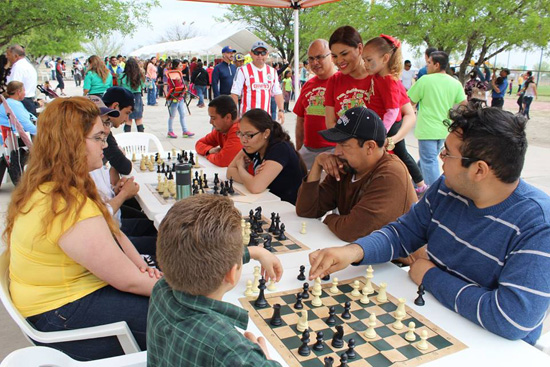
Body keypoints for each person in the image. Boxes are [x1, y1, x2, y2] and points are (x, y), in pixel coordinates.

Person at [308, 106, 550, 346]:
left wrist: (428, 275)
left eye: (447, 153)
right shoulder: (447, 188)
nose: (439, 159)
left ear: (479, 169)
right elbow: (402, 234)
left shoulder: (538, 224)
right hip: (435, 316)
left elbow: (512, 319)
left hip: (492, 346)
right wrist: (353, 252)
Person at [4, 97, 162, 361]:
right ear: (73, 143)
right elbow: (129, 281)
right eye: (99, 138)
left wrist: (141, 265)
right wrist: (188, 292)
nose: (106, 145)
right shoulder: (66, 205)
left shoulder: (56, 184)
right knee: (184, 317)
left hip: (55, 301)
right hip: (60, 315)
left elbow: (114, 232)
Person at [147, 195, 283, 366]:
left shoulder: (161, 289)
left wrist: (255, 252)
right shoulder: (230, 349)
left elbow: (197, 256)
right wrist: (266, 360)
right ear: (231, 273)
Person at [296, 106, 416, 242]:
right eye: (337, 144)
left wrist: (328, 219)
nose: (337, 152)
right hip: (357, 253)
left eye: (344, 145)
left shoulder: (391, 173)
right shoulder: (346, 166)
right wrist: (317, 164)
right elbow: (306, 210)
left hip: (397, 262)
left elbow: (352, 231)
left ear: (370, 147)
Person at [362, 35, 428, 194]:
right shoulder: (377, 77)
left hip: (391, 126)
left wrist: (381, 132)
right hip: (383, 124)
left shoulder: (389, 81)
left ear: (385, 58)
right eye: (364, 60)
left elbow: (392, 111)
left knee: (401, 154)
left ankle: (420, 184)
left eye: (369, 60)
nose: (365, 64)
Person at [407, 51, 467, 185]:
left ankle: (434, 191)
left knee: (428, 161)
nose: (426, 66)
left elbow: (409, 101)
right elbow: (464, 104)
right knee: (427, 159)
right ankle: (413, 185)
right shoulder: (455, 83)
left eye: (429, 63)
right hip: (445, 130)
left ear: (437, 65)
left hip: (428, 129)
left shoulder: (425, 80)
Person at [227, 108, 305, 204]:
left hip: (290, 209)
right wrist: (251, 180)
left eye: (249, 135)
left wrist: (241, 168)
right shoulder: (254, 145)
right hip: (269, 201)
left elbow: (255, 187)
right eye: (241, 134)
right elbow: (230, 171)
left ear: (266, 133)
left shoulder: (280, 149)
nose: (243, 140)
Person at [293, 39, 336, 170]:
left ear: (332, 56)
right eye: (311, 59)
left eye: (319, 57)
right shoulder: (307, 85)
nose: (314, 63)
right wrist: (299, 150)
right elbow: (300, 120)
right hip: (307, 151)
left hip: (335, 152)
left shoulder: (343, 83)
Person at [324, 26, 370, 129]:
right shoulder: (334, 81)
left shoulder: (379, 77)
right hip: (345, 144)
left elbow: (407, 114)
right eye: (335, 56)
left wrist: (390, 141)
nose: (339, 61)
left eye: (344, 54)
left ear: (359, 48)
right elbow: (331, 124)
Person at [231, 41, 285, 124]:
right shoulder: (243, 70)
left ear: (267, 54)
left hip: (265, 119)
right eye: (257, 53)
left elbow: (278, 93)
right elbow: (234, 93)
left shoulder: (272, 72)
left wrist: (281, 110)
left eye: (263, 53)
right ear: (251, 54)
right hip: (247, 119)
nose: (260, 56)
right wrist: (235, 114)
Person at [195, 95, 242, 167]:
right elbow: (199, 144)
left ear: (228, 117)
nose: (210, 122)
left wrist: (208, 155)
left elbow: (222, 161)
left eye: (213, 118)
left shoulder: (239, 131)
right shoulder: (221, 129)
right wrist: (209, 150)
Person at [100, 87, 135, 176]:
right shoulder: (99, 127)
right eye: (127, 113)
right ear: (115, 106)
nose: (127, 119)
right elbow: (124, 167)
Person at [5, 45, 38, 116]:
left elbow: (13, 87)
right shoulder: (27, 65)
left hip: (21, 102)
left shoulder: (18, 68)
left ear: (16, 56)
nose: (6, 57)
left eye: (8, 54)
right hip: (28, 101)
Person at [166, 59, 194, 139]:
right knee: (172, 115)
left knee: (182, 114)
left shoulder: (180, 74)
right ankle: (170, 131)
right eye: (180, 65)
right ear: (176, 66)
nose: (182, 67)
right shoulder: (171, 74)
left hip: (180, 97)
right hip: (173, 97)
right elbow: (172, 84)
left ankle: (185, 131)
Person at [119, 57, 145, 132]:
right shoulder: (140, 75)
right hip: (137, 97)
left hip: (126, 97)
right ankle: (141, 137)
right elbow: (143, 86)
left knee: (128, 119)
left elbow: (120, 86)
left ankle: (127, 139)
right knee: (139, 119)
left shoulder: (122, 76)